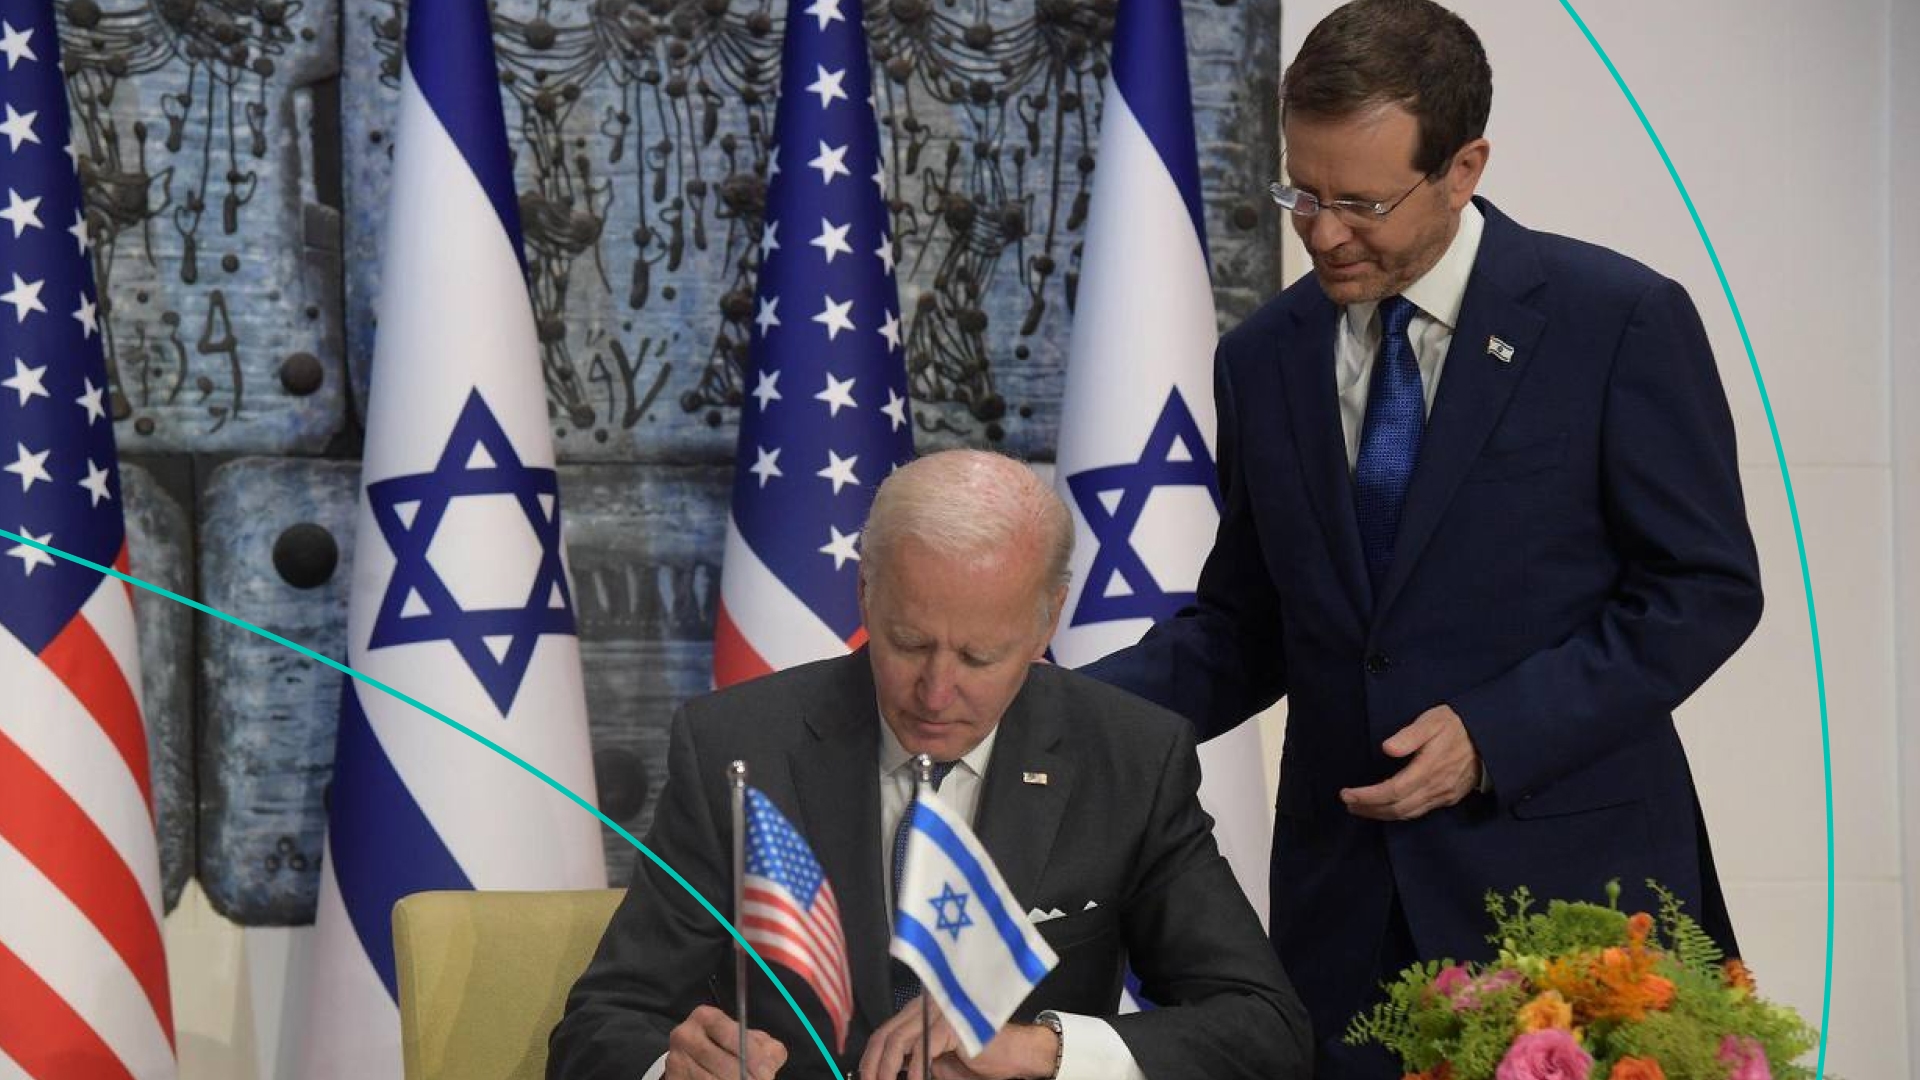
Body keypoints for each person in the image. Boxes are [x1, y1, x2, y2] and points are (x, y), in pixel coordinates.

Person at [1080, 1, 1763, 1076]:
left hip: (1579, 915)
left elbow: (1705, 589)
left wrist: (1498, 732)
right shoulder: (1262, 357)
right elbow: (1250, 627)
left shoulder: (1614, 319)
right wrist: (1063, 713)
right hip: (1346, 924)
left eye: (1361, 202)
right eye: (1301, 192)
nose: (1321, 232)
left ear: (1464, 167)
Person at [549, 450, 1311, 1080]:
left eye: (981, 656)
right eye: (909, 643)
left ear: (1049, 616)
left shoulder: (1129, 759)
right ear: (867, 593)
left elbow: (1266, 1030)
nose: (937, 691)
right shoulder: (739, 747)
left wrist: (1041, 1048)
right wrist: (669, 1068)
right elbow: (600, 1027)